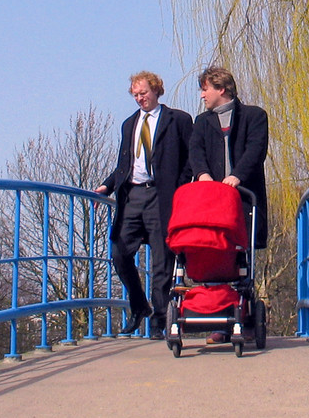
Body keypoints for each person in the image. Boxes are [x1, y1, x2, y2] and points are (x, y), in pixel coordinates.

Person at [97, 71, 192, 340]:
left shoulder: (178, 120)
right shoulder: (129, 124)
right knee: (119, 252)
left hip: (162, 196)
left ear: (156, 91)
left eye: (144, 93)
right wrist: (108, 185)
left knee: (163, 259)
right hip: (133, 196)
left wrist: (180, 185)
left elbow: (190, 158)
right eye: (135, 95)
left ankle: (160, 320)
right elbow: (123, 164)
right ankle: (140, 306)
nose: (140, 99)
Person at [188, 66, 270, 343]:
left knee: (244, 260)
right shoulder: (202, 122)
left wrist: (236, 176)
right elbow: (195, 152)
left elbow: (255, 150)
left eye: (205, 89)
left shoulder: (254, 116)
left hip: (244, 196)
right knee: (217, 256)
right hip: (213, 201)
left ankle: (245, 318)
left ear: (221, 89)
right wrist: (204, 176)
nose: (202, 95)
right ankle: (221, 322)